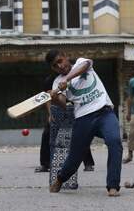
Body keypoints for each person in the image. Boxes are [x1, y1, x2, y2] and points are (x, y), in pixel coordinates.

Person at [46, 50, 122, 197]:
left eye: (60, 61)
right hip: (83, 118)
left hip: (105, 112)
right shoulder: (57, 82)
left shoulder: (81, 62)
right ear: (53, 69)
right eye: (56, 65)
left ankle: (113, 186)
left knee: (115, 142)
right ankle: (61, 179)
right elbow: (63, 103)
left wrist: (66, 80)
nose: (60, 66)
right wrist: (54, 97)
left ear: (66, 56)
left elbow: (86, 65)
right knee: (75, 158)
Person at [36, 74, 95, 173]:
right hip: (57, 109)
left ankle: (88, 163)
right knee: (46, 134)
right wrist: (51, 114)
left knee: (80, 135)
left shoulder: (75, 78)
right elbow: (47, 98)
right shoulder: (50, 79)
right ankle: (45, 165)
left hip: (75, 109)